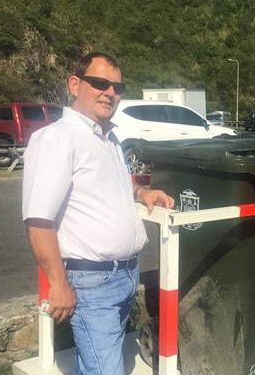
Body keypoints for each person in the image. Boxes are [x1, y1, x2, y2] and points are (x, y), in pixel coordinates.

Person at [22, 51, 175, 375]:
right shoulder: (57, 140)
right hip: (92, 282)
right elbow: (38, 220)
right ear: (75, 84)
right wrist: (58, 284)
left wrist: (141, 192)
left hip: (123, 276)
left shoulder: (108, 138)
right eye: (100, 83)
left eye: (118, 87)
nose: (110, 93)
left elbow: (111, 184)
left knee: (94, 365)